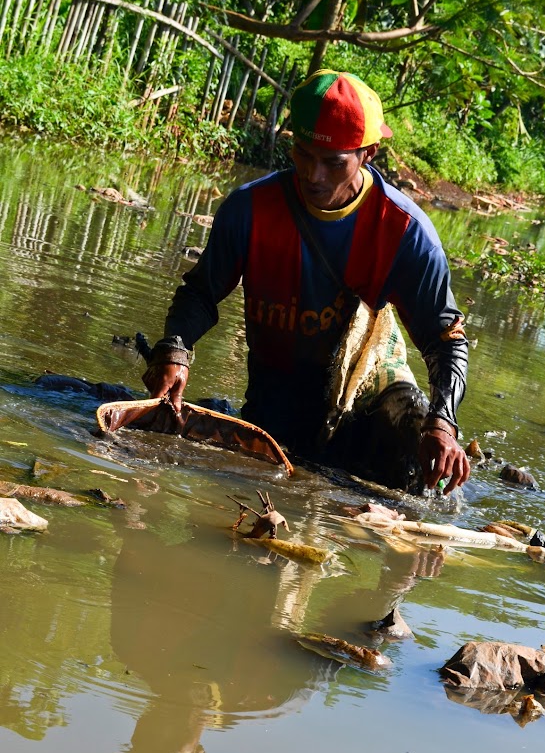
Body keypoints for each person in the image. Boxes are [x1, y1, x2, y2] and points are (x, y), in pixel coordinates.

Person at [143, 70, 470, 495]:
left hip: (367, 401)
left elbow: (446, 340)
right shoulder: (250, 210)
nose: (313, 176)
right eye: (302, 153)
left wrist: (443, 421)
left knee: (414, 454)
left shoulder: (405, 232)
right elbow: (201, 292)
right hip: (277, 399)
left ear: (367, 153)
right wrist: (175, 350)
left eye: (333, 163)